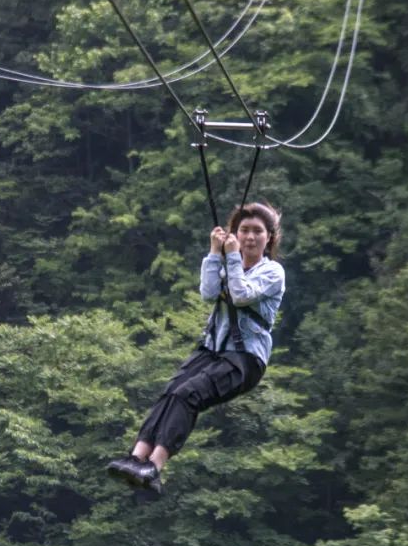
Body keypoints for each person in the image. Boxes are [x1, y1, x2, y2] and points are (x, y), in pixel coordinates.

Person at [107, 202, 285, 494]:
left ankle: (155, 467)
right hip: (213, 349)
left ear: (270, 238)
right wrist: (215, 253)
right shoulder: (228, 262)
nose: (250, 237)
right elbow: (209, 293)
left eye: (257, 231)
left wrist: (231, 256)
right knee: (172, 392)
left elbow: (240, 295)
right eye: (244, 230)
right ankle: (137, 457)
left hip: (245, 359)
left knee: (189, 394)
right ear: (235, 234)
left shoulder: (273, 272)